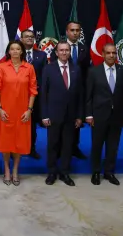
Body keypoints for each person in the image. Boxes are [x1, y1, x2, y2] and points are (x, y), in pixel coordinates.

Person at [0, 40, 37, 186]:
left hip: (23, 111)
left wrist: (29, 110)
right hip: (5, 110)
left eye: (17, 49)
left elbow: (33, 90)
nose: (15, 51)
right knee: (6, 142)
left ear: (22, 51)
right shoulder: (2, 67)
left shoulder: (29, 68)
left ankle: (15, 170)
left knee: (19, 142)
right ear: (8, 52)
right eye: (12, 49)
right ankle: (7, 170)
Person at [85, 43, 123, 186]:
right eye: (108, 53)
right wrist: (89, 115)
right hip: (99, 115)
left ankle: (109, 172)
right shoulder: (94, 71)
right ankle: (96, 172)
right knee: (97, 144)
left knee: (113, 145)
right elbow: (89, 95)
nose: (111, 55)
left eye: (114, 53)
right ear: (103, 54)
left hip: (117, 115)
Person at [39, 41, 83, 186]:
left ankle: (65, 172)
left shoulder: (76, 69)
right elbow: (43, 93)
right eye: (61, 50)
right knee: (53, 144)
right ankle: (52, 172)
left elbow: (79, 95)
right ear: (56, 53)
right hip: (53, 115)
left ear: (70, 52)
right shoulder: (48, 69)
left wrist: (79, 116)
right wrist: (44, 115)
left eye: (67, 50)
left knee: (67, 145)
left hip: (71, 115)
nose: (64, 52)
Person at [52, 21, 90, 160]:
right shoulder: (59, 48)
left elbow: (86, 71)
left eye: (77, 30)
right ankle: (59, 148)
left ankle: (74, 147)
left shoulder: (84, 49)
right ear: (67, 32)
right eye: (72, 30)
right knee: (61, 122)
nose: (75, 33)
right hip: (61, 91)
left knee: (76, 120)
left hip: (77, 90)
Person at [21, 29, 47, 159]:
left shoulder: (41, 55)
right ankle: (17, 148)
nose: (30, 38)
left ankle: (31, 148)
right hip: (19, 95)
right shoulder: (16, 54)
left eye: (31, 36)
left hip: (35, 95)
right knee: (18, 123)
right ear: (21, 39)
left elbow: (45, 75)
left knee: (31, 124)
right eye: (26, 36)